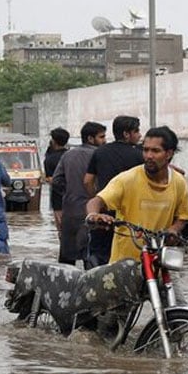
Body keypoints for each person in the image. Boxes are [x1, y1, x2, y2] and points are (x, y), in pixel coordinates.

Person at [85, 126, 188, 264]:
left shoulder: (178, 182)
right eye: (146, 150)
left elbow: (184, 216)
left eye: (155, 151)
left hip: (158, 260)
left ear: (169, 153)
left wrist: (173, 230)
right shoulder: (127, 179)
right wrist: (93, 215)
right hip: (124, 265)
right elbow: (96, 201)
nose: (149, 156)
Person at [83, 115, 143, 268]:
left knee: (98, 255)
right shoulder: (139, 155)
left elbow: (87, 181)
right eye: (136, 131)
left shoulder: (100, 152)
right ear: (126, 134)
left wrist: (98, 200)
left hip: (104, 213)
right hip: (131, 215)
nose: (140, 135)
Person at [52, 121, 107, 266]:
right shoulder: (100, 155)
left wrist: (70, 191)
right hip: (93, 213)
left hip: (70, 211)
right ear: (90, 138)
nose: (105, 140)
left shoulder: (67, 155)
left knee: (66, 261)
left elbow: (56, 181)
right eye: (101, 137)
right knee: (91, 259)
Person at [44, 127, 70, 228]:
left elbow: (50, 179)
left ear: (53, 141)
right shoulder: (71, 155)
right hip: (75, 197)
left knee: (61, 229)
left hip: (58, 199)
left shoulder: (49, 159)